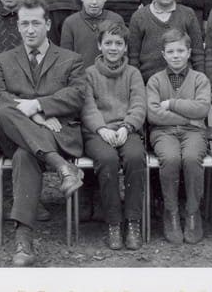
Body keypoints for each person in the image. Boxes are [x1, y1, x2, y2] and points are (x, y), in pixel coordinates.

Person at [0, 0, 86, 266]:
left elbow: (77, 94)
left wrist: (39, 105)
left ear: (48, 24)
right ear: (18, 26)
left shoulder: (71, 59)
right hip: (13, 133)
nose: (30, 30)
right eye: (24, 24)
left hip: (56, 134)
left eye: (35, 23)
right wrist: (35, 116)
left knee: (24, 155)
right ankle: (62, 166)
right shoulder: (3, 60)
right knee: (3, 112)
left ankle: (23, 240)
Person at [82, 22, 146, 251]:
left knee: (135, 157)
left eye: (119, 43)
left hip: (126, 130)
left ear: (126, 47)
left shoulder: (133, 73)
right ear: (99, 45)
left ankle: (133, 221)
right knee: (107, 160)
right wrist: (101, 129)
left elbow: (139, 105)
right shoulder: (89, 74)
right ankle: (113, 223)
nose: (113, 48)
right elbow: (87, 107)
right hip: (98, 133)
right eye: (108, 42)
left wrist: (126, 127)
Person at [146, 28, 212, 244]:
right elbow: (153, 114)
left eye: (180, 51)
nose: (176, 56)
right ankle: (171, 212)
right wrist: (188, 119)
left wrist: (171, 104)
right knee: (171, 158)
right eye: (171, 51)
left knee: (192, 159)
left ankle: (192, 212)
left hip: (195, 133)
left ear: (189, 52)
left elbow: (202, 109)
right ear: (163, 55)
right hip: (163, 133)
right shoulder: (155, 81)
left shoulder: (200, 79)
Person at [128, 0, 204, 83]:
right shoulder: (139, 17)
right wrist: (138, 86)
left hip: (184, 83)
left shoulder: (188, 14)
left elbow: (198, 55)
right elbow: (133, 59)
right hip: (149, 84)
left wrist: (201, 82)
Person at [60, 0, 125, 68]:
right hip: (80, 75)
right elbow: (66, 59)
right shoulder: (70, 23)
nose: (94, 2)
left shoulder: (116, 19)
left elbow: (122, 54)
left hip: (109, 74)